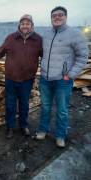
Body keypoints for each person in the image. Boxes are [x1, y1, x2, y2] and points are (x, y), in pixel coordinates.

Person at [0, 14, 42, 138]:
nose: (25, 26)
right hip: (11, 78)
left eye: (28, 23)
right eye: (23, 23)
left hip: (27, 79)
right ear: (19, 25)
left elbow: (45, 56)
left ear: (32, 25)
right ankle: (10, 127)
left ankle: (23, 125)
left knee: (24, 104)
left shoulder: (38, 40)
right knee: (10, 104)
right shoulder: (11, 38)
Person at [35, 6, 89, 147]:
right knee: (45, 107)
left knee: (62, 110)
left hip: (62, 81)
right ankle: (42, 130)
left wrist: (70, 75)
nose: (57, 17)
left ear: (65, 17)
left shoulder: (75, 34)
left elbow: (83, 57)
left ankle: (60, 135)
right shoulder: (46, 35)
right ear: (51, 18)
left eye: (60, 15)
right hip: (46, 79)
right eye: (54, 16)